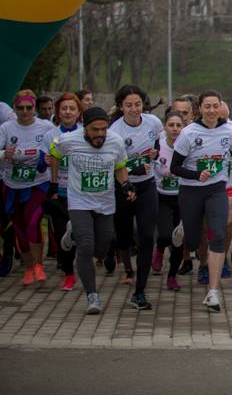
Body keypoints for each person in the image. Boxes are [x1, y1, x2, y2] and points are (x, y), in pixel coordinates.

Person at [48, 106, 131, 315]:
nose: (100, 134)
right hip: (79, 201)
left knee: (101, 248)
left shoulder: (116, 141)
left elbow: (120, 167)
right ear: (85, 128)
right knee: (85, 246)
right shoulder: (69, 140)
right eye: (95, 130)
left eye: (104, 129)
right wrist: (54, 182)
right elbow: (54, 153)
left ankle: (73, 233)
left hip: (105, 202)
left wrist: (126, 184)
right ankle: (92, 296)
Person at [170, 90, 232, 311]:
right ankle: (185, 227)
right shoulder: (189, 133)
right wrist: (196, 174)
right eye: (207, 106)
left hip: (216, 189)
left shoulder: (228, 131)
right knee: (194, 242)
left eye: (215, 106)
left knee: (218, 235)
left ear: (221, 106)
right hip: (191, 191)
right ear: (200, 109)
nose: (212, 111)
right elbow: (175, 167)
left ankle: (213, 292)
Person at [109, 85, 162, 310]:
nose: (134, 109)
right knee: (123, 236)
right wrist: (132, 170)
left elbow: (159, 146)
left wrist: (155, 153)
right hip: (123, 187)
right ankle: (126, 266)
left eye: (138, 104)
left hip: (147, 186)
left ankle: (139, 291)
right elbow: (112, 164)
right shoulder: (115, 131)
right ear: (121, 107)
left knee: (147, 236)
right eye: (129, 105)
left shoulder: (154, 123)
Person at [1, 90, 55, 286]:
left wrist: (49, 159)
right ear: (14, 109)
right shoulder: (6, 128)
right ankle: (29, 267)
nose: (25, 112)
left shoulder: (46, 127)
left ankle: (39, 265)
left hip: (38, 184)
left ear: (34, 108)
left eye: (29, 108)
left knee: (32, 222)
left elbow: (58, 150)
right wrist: (4, 154)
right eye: (20, 108)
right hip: (12, 185)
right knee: (20, 228)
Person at [44, 93, 82, 292]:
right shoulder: (50, 135)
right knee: (62, 234)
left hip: (81, 194)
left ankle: (76, 262)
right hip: (58, 193)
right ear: (58, 112)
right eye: (64, 108)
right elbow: (40, 165)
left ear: (78, 112)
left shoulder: (85, 133)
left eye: (72, 108)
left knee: (78, 233)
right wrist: (44, 161)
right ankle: (68, 274)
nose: (68, 112)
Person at [153, 108, 185, 291]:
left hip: (183, 198)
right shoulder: (157, 144)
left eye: (179, 125)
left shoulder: (188, 145)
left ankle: (172, 276)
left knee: (179, 239)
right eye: (171, 125)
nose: (175, 129)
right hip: (162, 197)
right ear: (164, 127)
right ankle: (159, 248)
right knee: (165, 235)